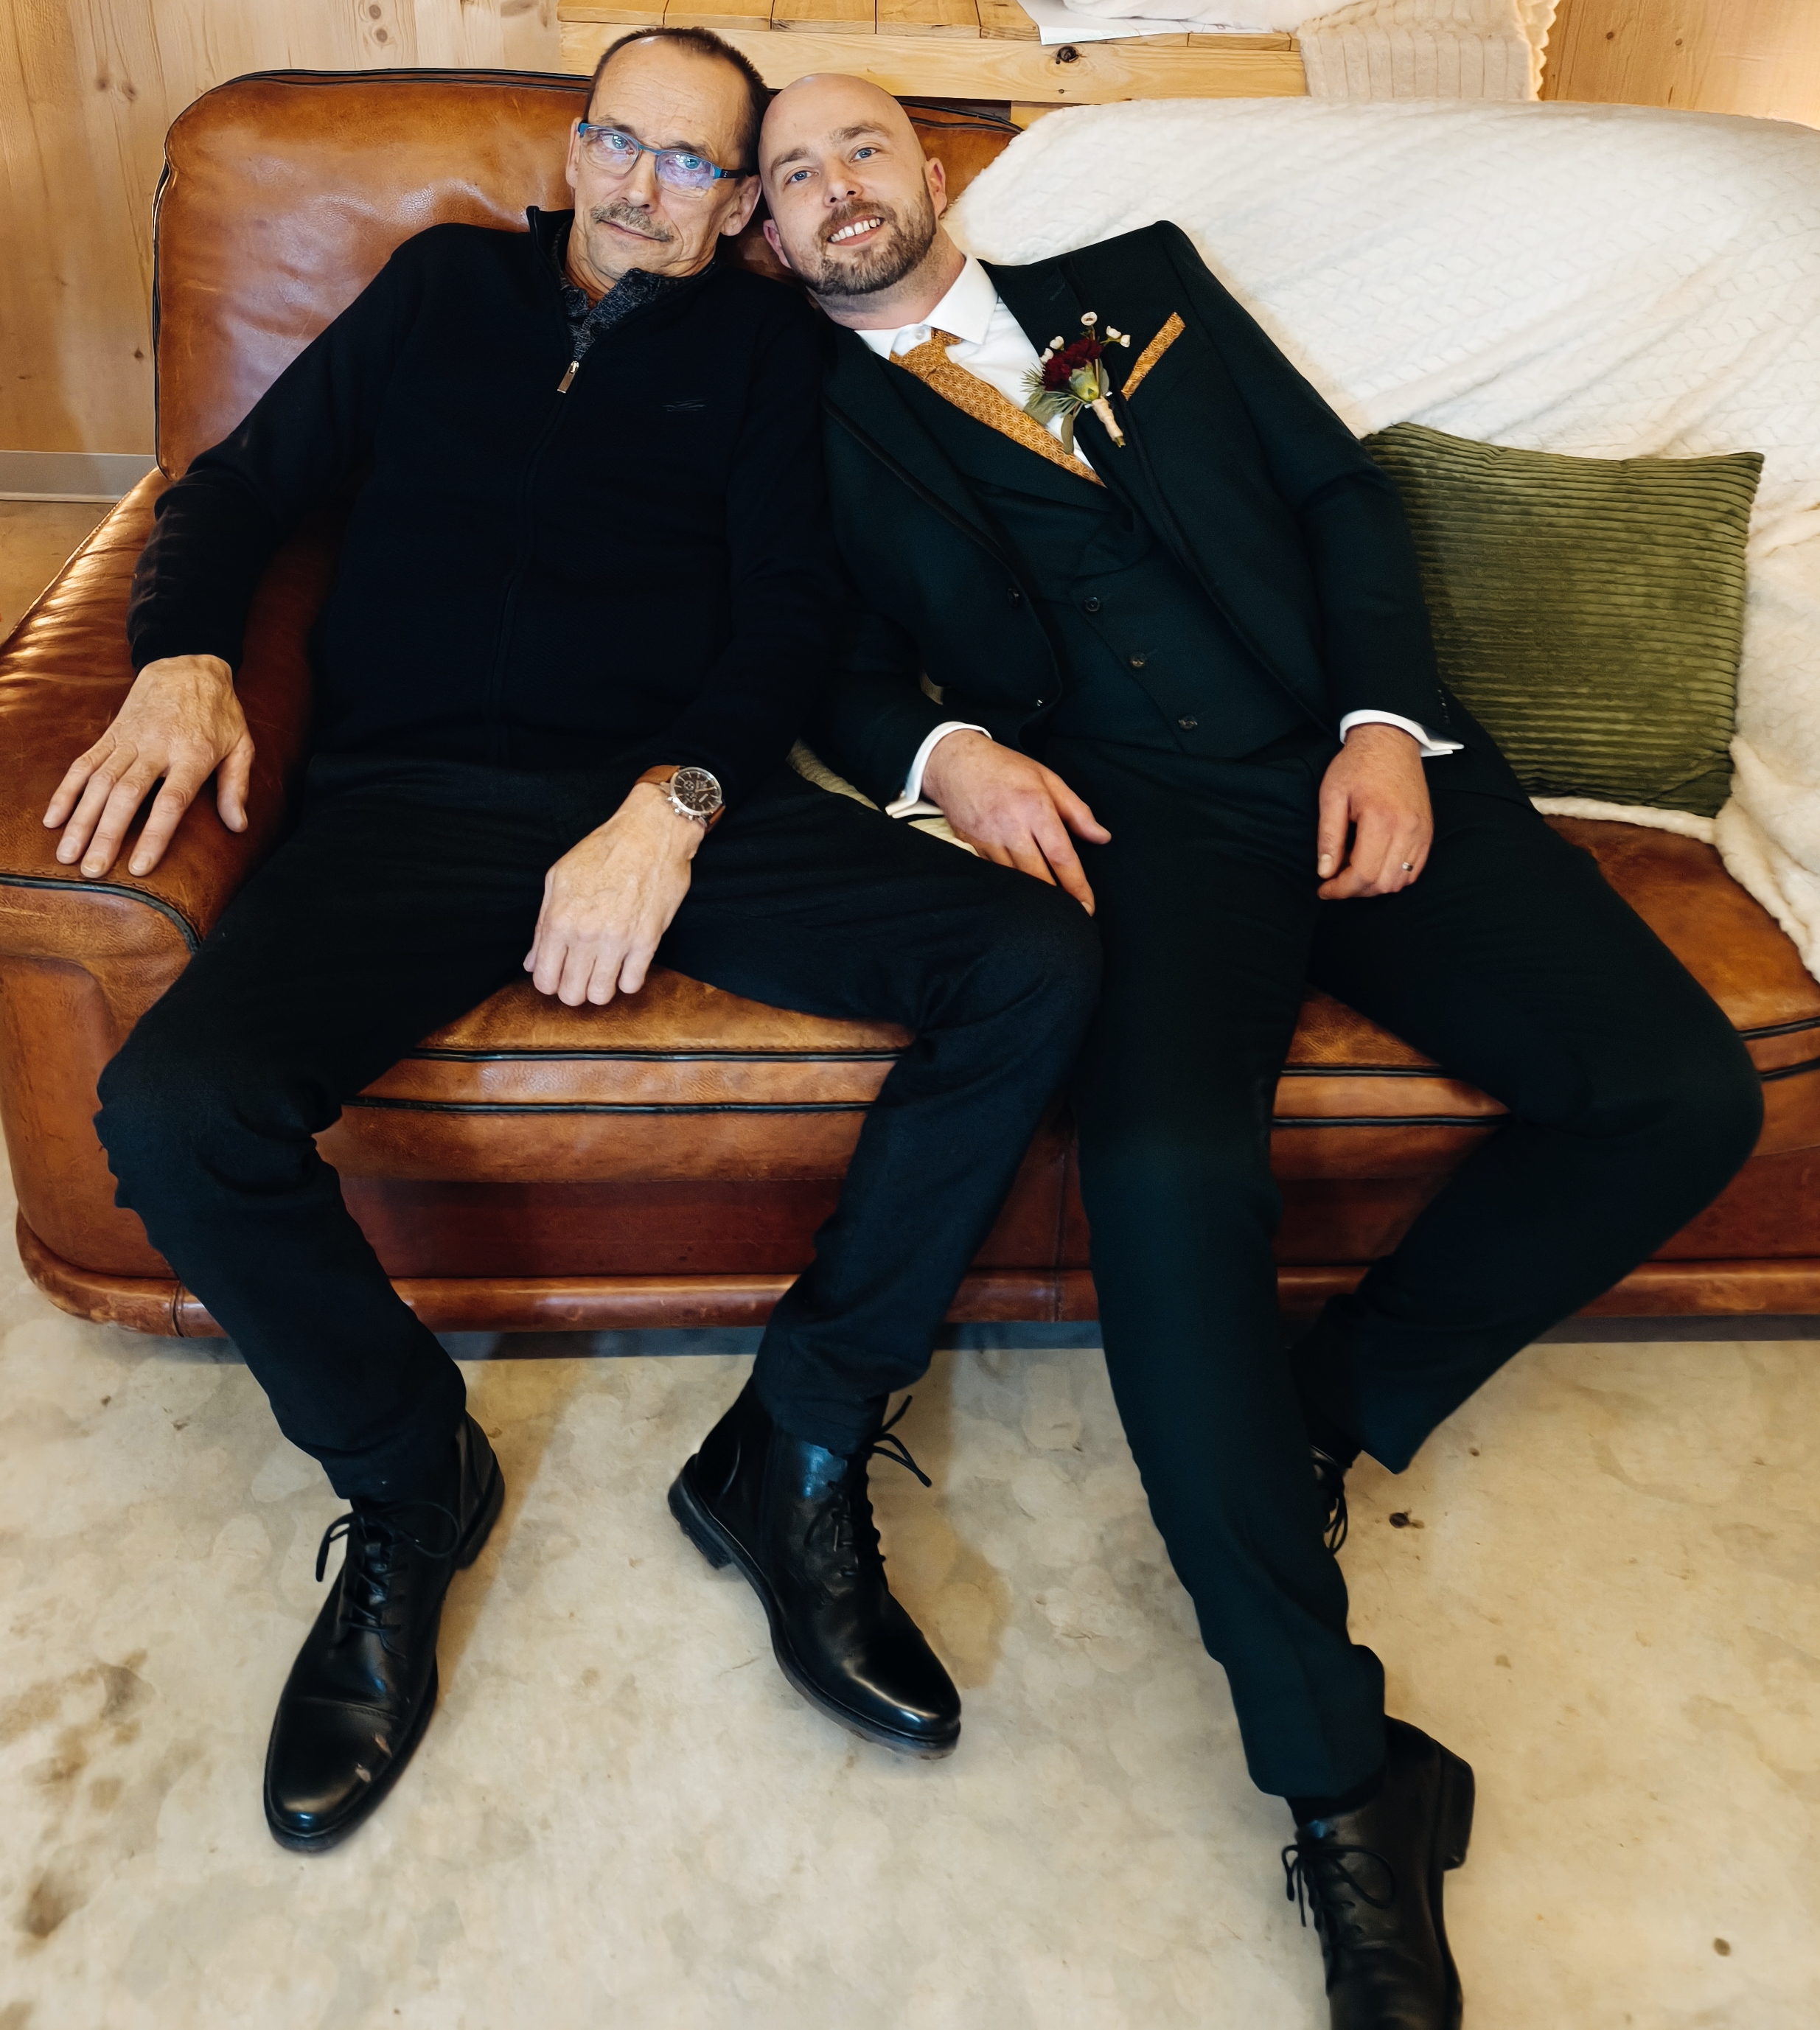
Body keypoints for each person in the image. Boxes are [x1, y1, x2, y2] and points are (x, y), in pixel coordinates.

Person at [750, 72, 1765, 2029]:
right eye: (790, 176)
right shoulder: (797, 420)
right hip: (1142, 839)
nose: (832, 186)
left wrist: (1385, 724)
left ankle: (1320, 1407)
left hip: (1353, 764)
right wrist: (946, 755)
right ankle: (1339, 1780)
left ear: (929, 169)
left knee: (1674, 1094)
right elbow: (823, 661)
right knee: (1158, 1177)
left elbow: (1335, 494)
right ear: (772, 238)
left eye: (857, 146)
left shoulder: (1134, 283)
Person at [50, 32, 1099, 1855]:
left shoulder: (763, 352)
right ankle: (407, 1480)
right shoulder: (439, 289)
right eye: (621, 142)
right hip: (404, 809)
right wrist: (185, 654)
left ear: (736, 205)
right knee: (171, 1108)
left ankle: (795, 1446)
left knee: (1030, 965)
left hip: (672, 803)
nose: (641, 187)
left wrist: (669, 805)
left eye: (693, 165)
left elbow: (791, 614)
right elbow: (234, 487)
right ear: (575, 144)